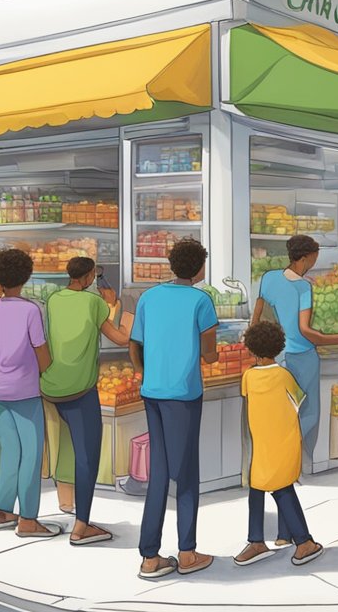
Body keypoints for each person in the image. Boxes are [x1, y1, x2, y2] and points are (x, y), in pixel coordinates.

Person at [131, 237, 219, 580]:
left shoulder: (149, 297)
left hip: (152, 391)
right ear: (199, 268)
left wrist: (148, 373)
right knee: (185, 475)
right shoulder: (201, 300)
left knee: (159, 473)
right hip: (184, 394)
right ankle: (187, 552)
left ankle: (150, 556)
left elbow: (135, 345)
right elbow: (210, 354)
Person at [43, 257, 132, 545]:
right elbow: (119, 338)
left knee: (68, 446)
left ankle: (66, 501)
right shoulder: (94, 304)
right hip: (79, 389)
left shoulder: (54, 300)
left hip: (51, 386)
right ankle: (82, 526)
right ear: (91, 275)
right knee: (88, 456)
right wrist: (123, 311)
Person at [249, 235, 338, 465]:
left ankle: (280, 458)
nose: (314, 263)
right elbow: (305, 330)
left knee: (282, 411)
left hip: (277, 355)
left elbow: (257, 317)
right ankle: (296, 460)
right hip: (302, 355)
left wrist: (257, 349)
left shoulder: (269, 277)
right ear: (304, 258)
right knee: (309, 413)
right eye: (314, 259)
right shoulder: (303, 287)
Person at [232, 320, 323, 569]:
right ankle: (285, 540)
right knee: (276, 488)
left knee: (268, 488)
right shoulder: (284, 376)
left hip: (263, 444)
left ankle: (295, 541)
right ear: (279, 347)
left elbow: (248, 402)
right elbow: (298, 401)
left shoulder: (248, 377)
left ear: (251, 349)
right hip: (283, 442)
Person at [0, 248, 58, 537]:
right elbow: (41, 351)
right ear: (25, 277)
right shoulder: (31, 310)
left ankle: (0, 511)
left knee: (10, 451)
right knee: (31, 454)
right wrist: (46, 367)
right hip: (25, 390)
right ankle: (28, 519)